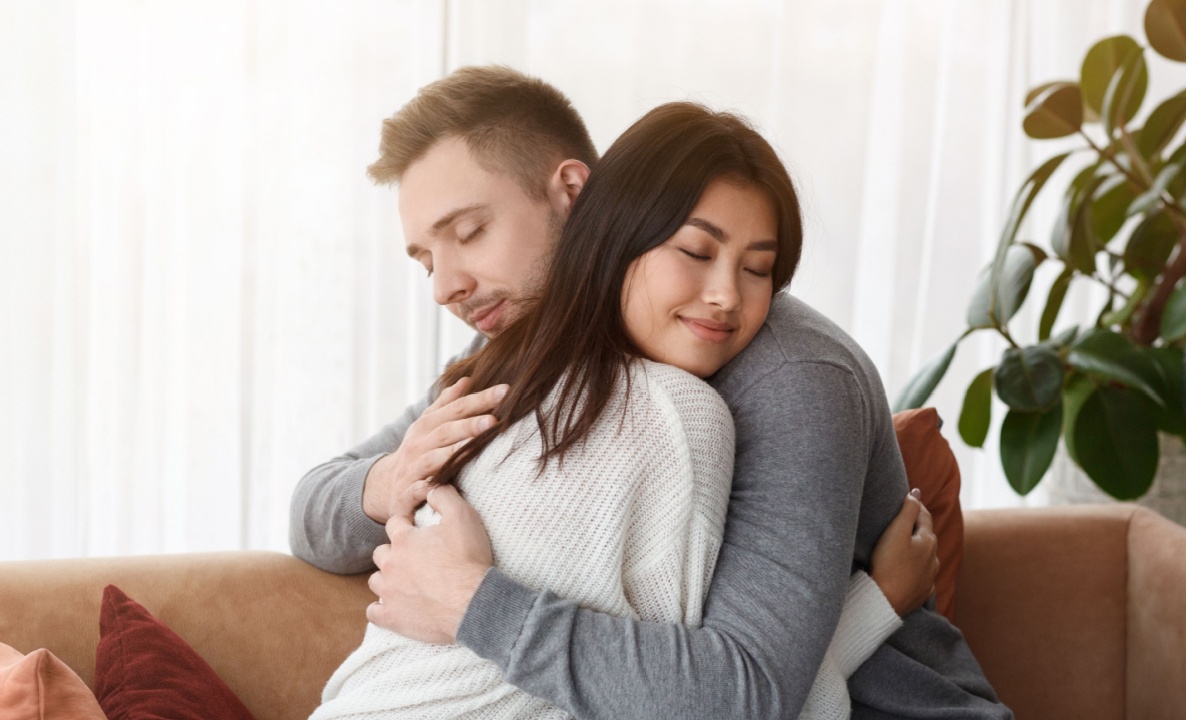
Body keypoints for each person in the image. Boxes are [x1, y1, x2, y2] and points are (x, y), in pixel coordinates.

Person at [292, 66, 1011, 719]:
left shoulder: (786, 378)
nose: (446, 284)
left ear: (573, 193)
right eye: (425, 260)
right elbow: (312, 509)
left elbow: (746, 691)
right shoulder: (524, 353)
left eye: (470, 232)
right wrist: (393, 478)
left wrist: (470, 601)